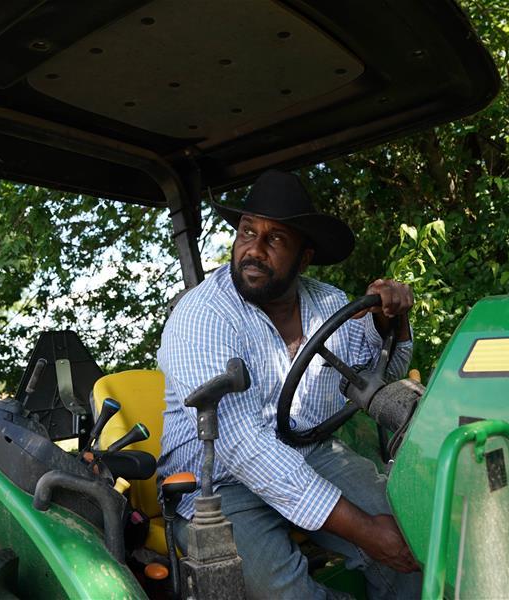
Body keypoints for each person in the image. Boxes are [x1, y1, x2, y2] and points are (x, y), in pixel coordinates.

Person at [156, 169, 421, 599]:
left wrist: (389, 320)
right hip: (218, 484)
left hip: (312, 455)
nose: (254, 250)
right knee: (289, 594)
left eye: (275, 239)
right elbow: (242, 446)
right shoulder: (202, 315)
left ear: (304, 257)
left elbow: (380, 377)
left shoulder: (329, 303)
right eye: (247, 232)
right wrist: (366, 530)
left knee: (416, 535)